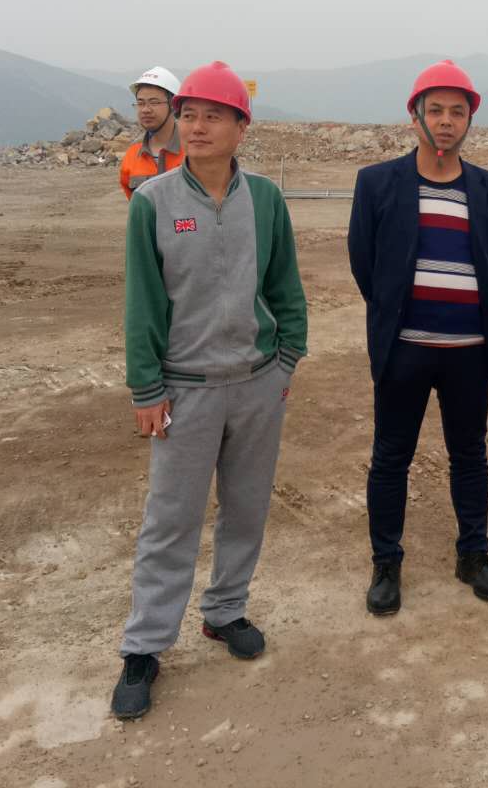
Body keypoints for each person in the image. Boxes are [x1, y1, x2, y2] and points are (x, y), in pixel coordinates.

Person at [111, 60, 307, 720]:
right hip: (185, 389)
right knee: (171, 519)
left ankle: (224, 611)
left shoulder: (267, 200)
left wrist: (286, 361)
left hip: (256, 385)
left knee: (246, 508)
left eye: (213, 116)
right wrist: (146, 389)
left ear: (240, 127)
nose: (196, 127)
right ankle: (144, 646)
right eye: (188, 114)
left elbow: (285, 286)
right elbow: (143, 304)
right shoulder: (154, 201)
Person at [347, 60, 488, 616]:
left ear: (469, 121)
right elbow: (364, 262)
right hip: (405, 351)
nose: (445, 121)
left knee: (471, 456)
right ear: (414, 116)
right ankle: (386, 563)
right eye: (435, 110)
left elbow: (486, 260)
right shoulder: (377, 183)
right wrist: (394, 315)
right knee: (391, 457)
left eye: (457, 112)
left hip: (469, 354)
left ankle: (474, 556)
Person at [119, 67, 183, 199]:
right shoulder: (132, 156)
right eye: (140, 103)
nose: (145, 110)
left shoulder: (194, 151)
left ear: (173, 105)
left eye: (154, 102)